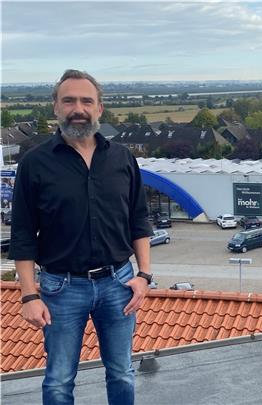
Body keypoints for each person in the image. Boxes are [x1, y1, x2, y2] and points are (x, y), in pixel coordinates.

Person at [8, 69, 154, 405]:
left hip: (119, 285)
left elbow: (139, 219)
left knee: (121, 372)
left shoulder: (122, 158)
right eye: (69, 100)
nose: (78, 108)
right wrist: (29, 295)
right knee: (59, 381)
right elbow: (23, 234)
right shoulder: (35, 163)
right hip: (61, 288)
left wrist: (144, 275)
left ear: (100, 108)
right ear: (55, 108)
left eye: (86, 101)